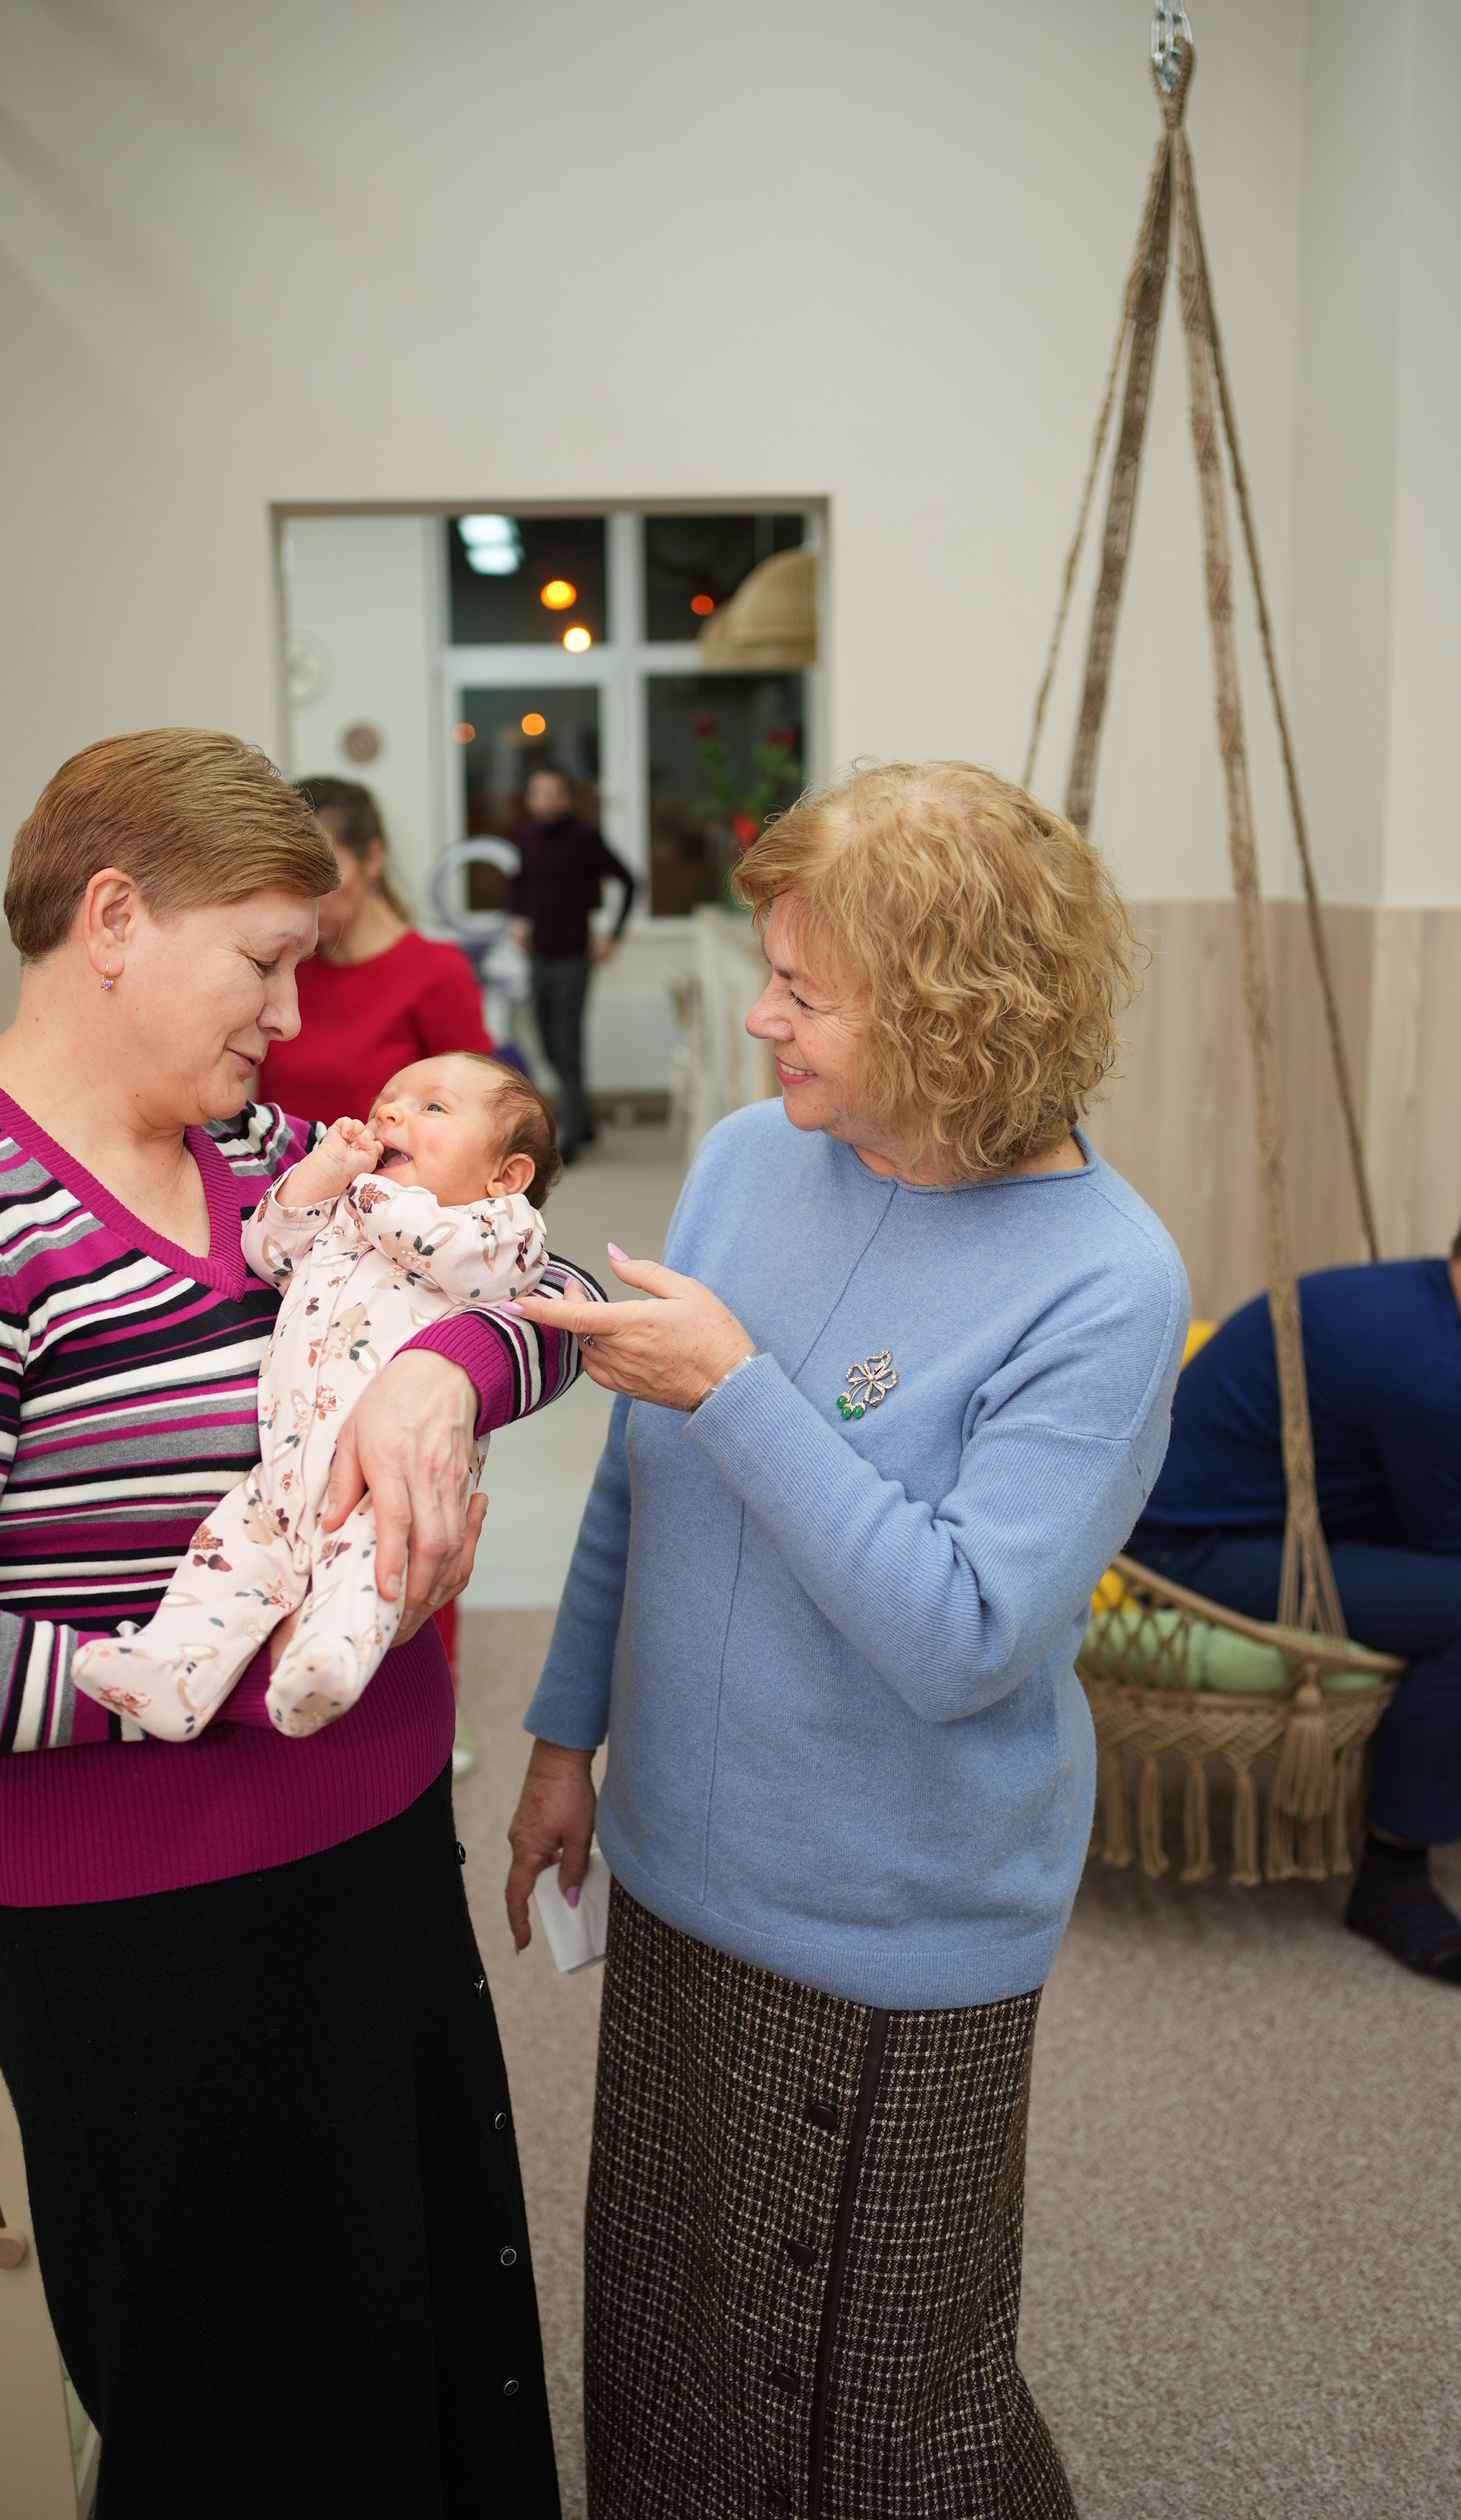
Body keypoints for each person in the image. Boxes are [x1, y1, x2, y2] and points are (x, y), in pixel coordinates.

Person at [0, 730, 597, 2519]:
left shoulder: (258, 1150)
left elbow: (547, 1279)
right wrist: (231, 1667)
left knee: (425, 2359)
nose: (293, 1016)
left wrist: (444, 1382)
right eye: (264, 962)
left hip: (374, 1850)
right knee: (246, 2419)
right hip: (146, 1939)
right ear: (113, 921)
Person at [503, 761, 1189, 2520]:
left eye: (803, 990)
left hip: (885, 1936)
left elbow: (962, 1637)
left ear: (952, 1010)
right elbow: (638, 1484)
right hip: (675, 1873)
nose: (759, 1019)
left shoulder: (1103, 1281)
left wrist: (737, 1386)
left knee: (874, 2421)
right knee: (668, 2357)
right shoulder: (751, 1159)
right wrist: (565, 1739)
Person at [75, 1054, 559, 1741]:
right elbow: (267, 1250)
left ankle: (328, 1664)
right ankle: (173, 1670)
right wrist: (322, 1176)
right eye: (388, 1099)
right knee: (224, 1558)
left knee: (365, 1569)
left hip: (381, 1480)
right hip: (284, 1460)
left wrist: (366, 1194)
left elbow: (464, 1265)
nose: (391, 1112)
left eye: (432, 1108)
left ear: (505, 1176)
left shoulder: (504, 1229)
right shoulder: (348, 1206)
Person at [1129, 1243, 1461, 1981]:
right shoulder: (1429, 1370)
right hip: (1188, 1548)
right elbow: (1442, 1536)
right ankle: (1393, 1877)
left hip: (1297, 1513)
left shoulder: (1421, 1297)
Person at [258, 775, 495, 1743]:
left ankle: (422, 1696)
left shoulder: (431, 974)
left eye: (333, 879)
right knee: (310, 1477)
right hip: (312, 1243)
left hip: (409, 1261)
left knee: (407, 1479)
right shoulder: (290, 976)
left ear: (372, 859)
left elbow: (488, 1124)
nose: (318, 905)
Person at [258, 775, 492, 1120]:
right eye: (290, 873)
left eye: (322, 870)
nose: (304, 892)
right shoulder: (286, 968)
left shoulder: (437, 972)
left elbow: (478, 1117)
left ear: (371, 859)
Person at [507, 764, 636, 1161]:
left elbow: (629, 880)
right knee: (547, 1041)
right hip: (538, 955)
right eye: (538, 793)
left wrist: (612, 935)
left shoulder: (584, 836)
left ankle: (574, 1131)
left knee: (567, 1042)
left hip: (573, 958)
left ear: (566, 798)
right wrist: (516, 918)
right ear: (529, 799)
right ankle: (585, 1120)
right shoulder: (525, 836)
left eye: (553, 793)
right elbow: (519, 884)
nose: (545, 801)